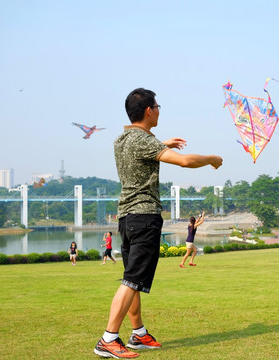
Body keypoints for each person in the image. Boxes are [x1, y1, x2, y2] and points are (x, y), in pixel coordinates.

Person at [94, 88, 223, 359]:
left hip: (127, 218)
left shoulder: (122, 140)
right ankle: (108, 339)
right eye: (158, 105)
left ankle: (138, 334)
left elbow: (141, 149)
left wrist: (163, 144)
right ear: (149, 110)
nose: (160, 109)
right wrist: (212, 159)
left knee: (133, 278)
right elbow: (186, 162)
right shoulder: (144, 141)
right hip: (144, 218)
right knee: (132, 280)